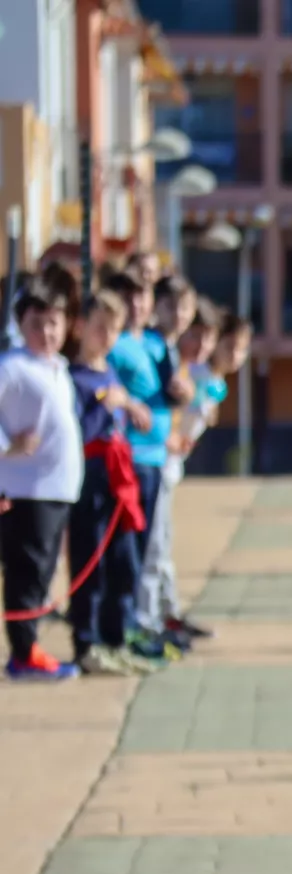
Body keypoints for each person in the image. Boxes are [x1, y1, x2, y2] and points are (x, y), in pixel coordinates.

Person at [0, 279, 85, 680]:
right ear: (21, 324)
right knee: (27, 571)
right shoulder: (12, 367)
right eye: (37, 323)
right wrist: (7, 447)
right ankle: (22, 652)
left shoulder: (58, 368)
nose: (47, 332)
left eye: (55, 322)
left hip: (57, 489)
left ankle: (30, 644)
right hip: (25, 489)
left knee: (45, 571)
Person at [67, 292, 155, 676]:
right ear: (81, 327)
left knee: (124, 561)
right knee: (91, 562)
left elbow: (121, 407)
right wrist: (105, 406)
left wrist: (134, 408)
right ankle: (86, 642)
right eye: (99, 327)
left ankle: (116, 637)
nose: (106, 336)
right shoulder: (73, 377)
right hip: (89, 477)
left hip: (118, 479)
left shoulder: (110, 373)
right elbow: (73, 432)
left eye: (113, 330)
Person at [133, 276, 200, 655]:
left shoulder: (173, 350)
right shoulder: (153, 345)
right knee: (149, 547)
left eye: (184, 307)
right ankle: (145, 622)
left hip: (161, 458)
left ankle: (156, 617)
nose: (178, 315)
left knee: (161, 544)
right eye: (171, 306)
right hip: (144, 456)